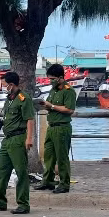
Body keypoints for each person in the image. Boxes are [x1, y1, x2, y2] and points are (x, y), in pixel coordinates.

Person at [0, 72, 34, 214]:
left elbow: (30, 119)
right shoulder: (9, 99)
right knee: (2, 171)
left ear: (11, 85)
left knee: (21, 172)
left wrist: (29, 139)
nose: (3, 87)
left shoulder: (24, 99)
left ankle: (23, 204)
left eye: (5, 84)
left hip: (18, 139)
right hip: (7, 139)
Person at [35, 64, 77, 194]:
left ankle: (64, 184)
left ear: (60, 78)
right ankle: (48, 181)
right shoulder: (53, 90)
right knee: (49, 156)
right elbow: (50, 105)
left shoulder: (68, 91)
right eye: (49, 79)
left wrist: (51, 106)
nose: (50, 81)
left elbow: (69, 110)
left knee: (62, 157)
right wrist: (43, 105)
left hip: (62, 127)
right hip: (51, 126)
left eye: (52, 79)